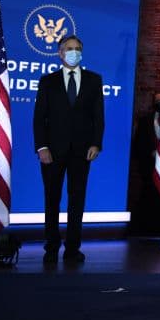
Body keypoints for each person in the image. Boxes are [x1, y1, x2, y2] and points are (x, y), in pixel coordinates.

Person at [33, 35, 104, 264]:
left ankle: (72, 248)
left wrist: (96, 143)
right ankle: (51, 246)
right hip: (52, 151)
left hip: (82, 151)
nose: (74, 52)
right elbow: (39, 119)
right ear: (60, 53)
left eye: (78, 49)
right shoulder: (48, 81)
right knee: (51, 199)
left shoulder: (94, 80)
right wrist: (42, 147)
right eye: (69, 49)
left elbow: (98, 117)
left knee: (77, 199)